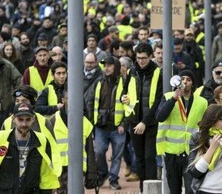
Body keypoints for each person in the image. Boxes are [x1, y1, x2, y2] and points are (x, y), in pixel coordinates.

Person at [155, 69, 208, 194]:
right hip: (172, 152)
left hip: (192, 152)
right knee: (174, 189)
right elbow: (159, 117)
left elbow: (205, 125)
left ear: (192, 84)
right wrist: (174, 98)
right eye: (182, 79)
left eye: (188, 80)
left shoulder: (202, 102)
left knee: (191, 189)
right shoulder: (168, 97)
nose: (185, 82)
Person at [0, 103, 60, 193]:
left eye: (28, 120)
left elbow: (45, 174)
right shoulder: (0, 139)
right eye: (20, 119)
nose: (24, 124)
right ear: (13, 119)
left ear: (33, 119)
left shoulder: (42, 140)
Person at [86, 56, 126, 190]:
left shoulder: (124, 82)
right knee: (99, 151)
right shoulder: (99, 82)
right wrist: (92, 121)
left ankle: (113, 179)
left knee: (117, 155)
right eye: (105, 65)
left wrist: (123, 124)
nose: (106, 68)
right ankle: (103, 173)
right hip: (101, 126)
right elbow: (90, 101)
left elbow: (130, 105)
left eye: (110, 65)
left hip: (118, 126)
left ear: (116, 67)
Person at [187, 104, 222, 194]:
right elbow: (195, 172)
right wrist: (212, 148)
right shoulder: (198, 137)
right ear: (213, 121)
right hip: (205, 190)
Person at [50, 85, 97, 194]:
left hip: (79, 167)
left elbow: (90, 150)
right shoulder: (53, 121)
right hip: (59, 168)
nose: (71, 101)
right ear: (63, 100)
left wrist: (92, 174)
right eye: (67, 98)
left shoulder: (84, 122)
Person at [130, 42, 163, 190]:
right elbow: (124, 92)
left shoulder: (158, 73)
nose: (141, 61)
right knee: (139, 158)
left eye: (144, 58)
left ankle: (151, 189)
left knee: (150, 157)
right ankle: (142, 189)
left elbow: (158, 100)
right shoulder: (132, 72)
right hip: (134, 121)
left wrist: (145, 121)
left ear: (150, 57)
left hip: (150, 123)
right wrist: (124, 98)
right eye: (138, 58)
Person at [0, 50, 22, 137]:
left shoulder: (7, 65)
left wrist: (17, 94)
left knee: (3, 128)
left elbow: (19, 79)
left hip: (6, 103)